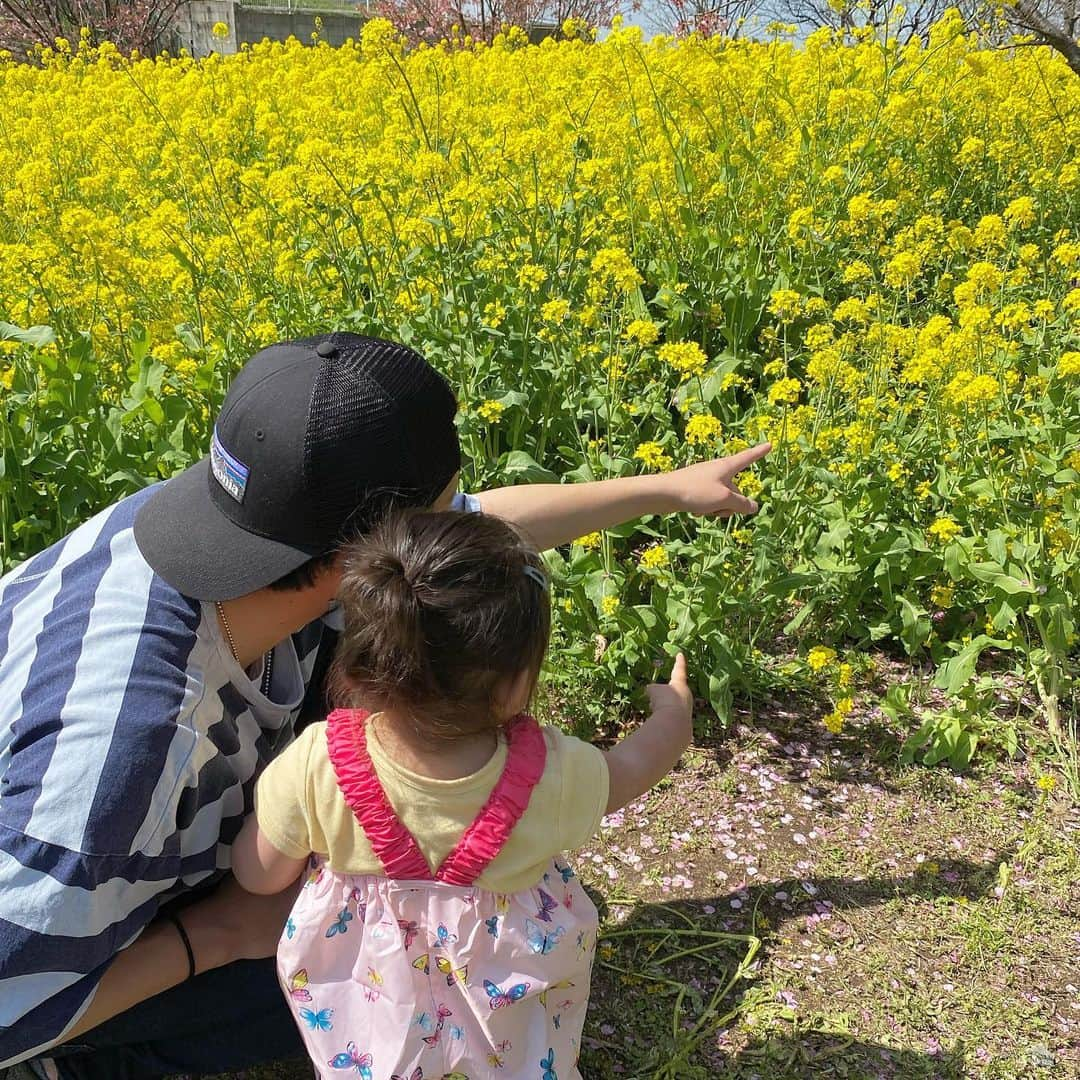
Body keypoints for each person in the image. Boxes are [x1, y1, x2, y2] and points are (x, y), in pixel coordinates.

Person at [0, 331, 768, 1079]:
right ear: (376, 548)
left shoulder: (224, 520)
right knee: (386, 968)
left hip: (139, 822)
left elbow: (482, 526)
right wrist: (220, 934)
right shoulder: (126, 763)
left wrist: (668, 489)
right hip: (39, 934)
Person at [230, 509, 694, 1080]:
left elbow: (259, 876)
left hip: (372, 1028)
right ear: (512, 682)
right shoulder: (552, 773)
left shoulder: (316, 764)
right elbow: (634, 766)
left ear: (362, 661)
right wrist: (673, 715)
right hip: (510, 1042)